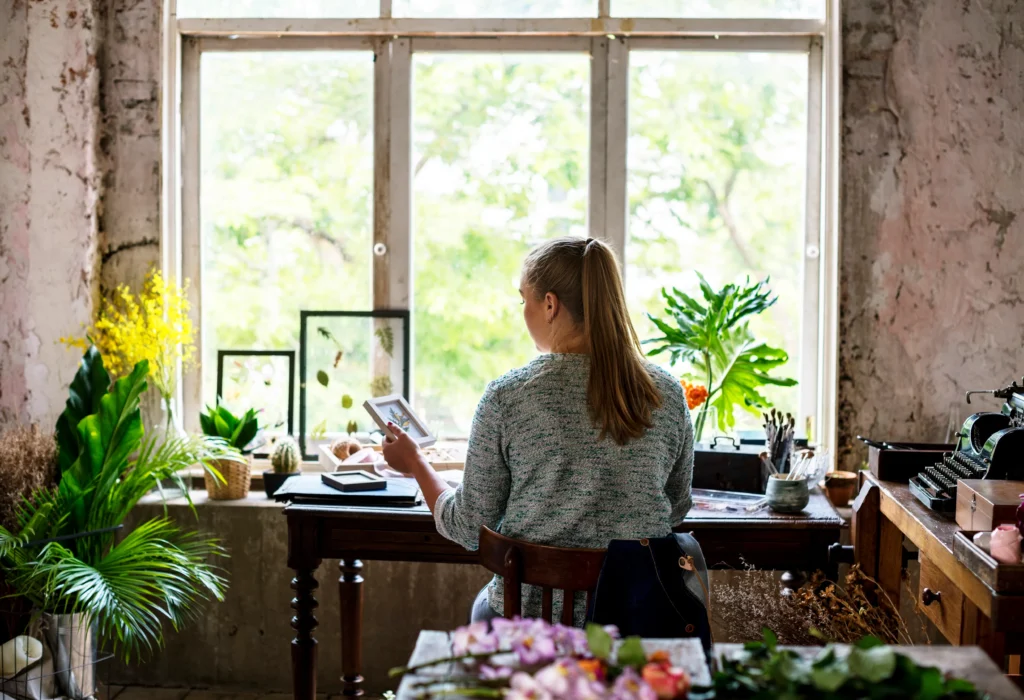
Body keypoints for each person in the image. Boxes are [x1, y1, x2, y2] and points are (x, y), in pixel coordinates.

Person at [381, 236, 694, 625]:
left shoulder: (508, 396)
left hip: (531, 629)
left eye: (523, 300)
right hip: (640, 625)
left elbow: (467, 526)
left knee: (483, 609)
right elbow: (676, 507)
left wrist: (414, 463)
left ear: (550, 305)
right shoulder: (666, 392)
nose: (523, 313)